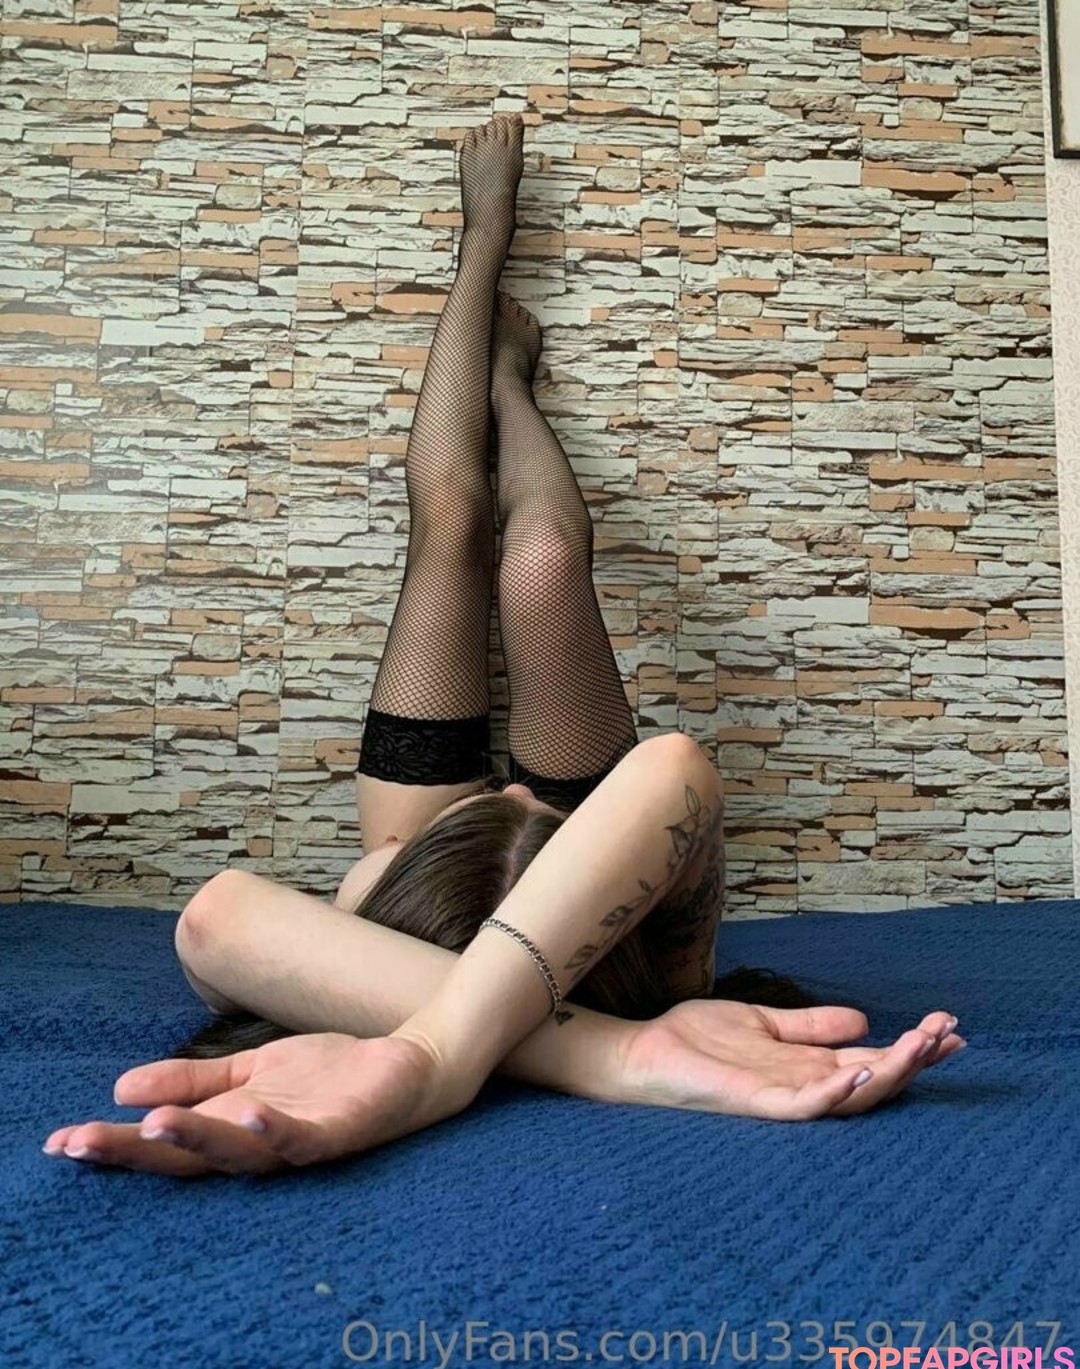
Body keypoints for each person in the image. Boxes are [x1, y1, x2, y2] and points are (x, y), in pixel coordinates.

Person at [42, 115, 965, 1178]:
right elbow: (669, 768)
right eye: (526, 804)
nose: (514, 787)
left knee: (452, 518)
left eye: (504, 805)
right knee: (547, 558)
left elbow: (213, 919)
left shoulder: (377, 893)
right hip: (581, 862)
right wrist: (620, 1051)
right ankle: (513, 384)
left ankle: (478, 248)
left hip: (422, 850)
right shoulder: (665, 964)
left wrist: (435, 1044)